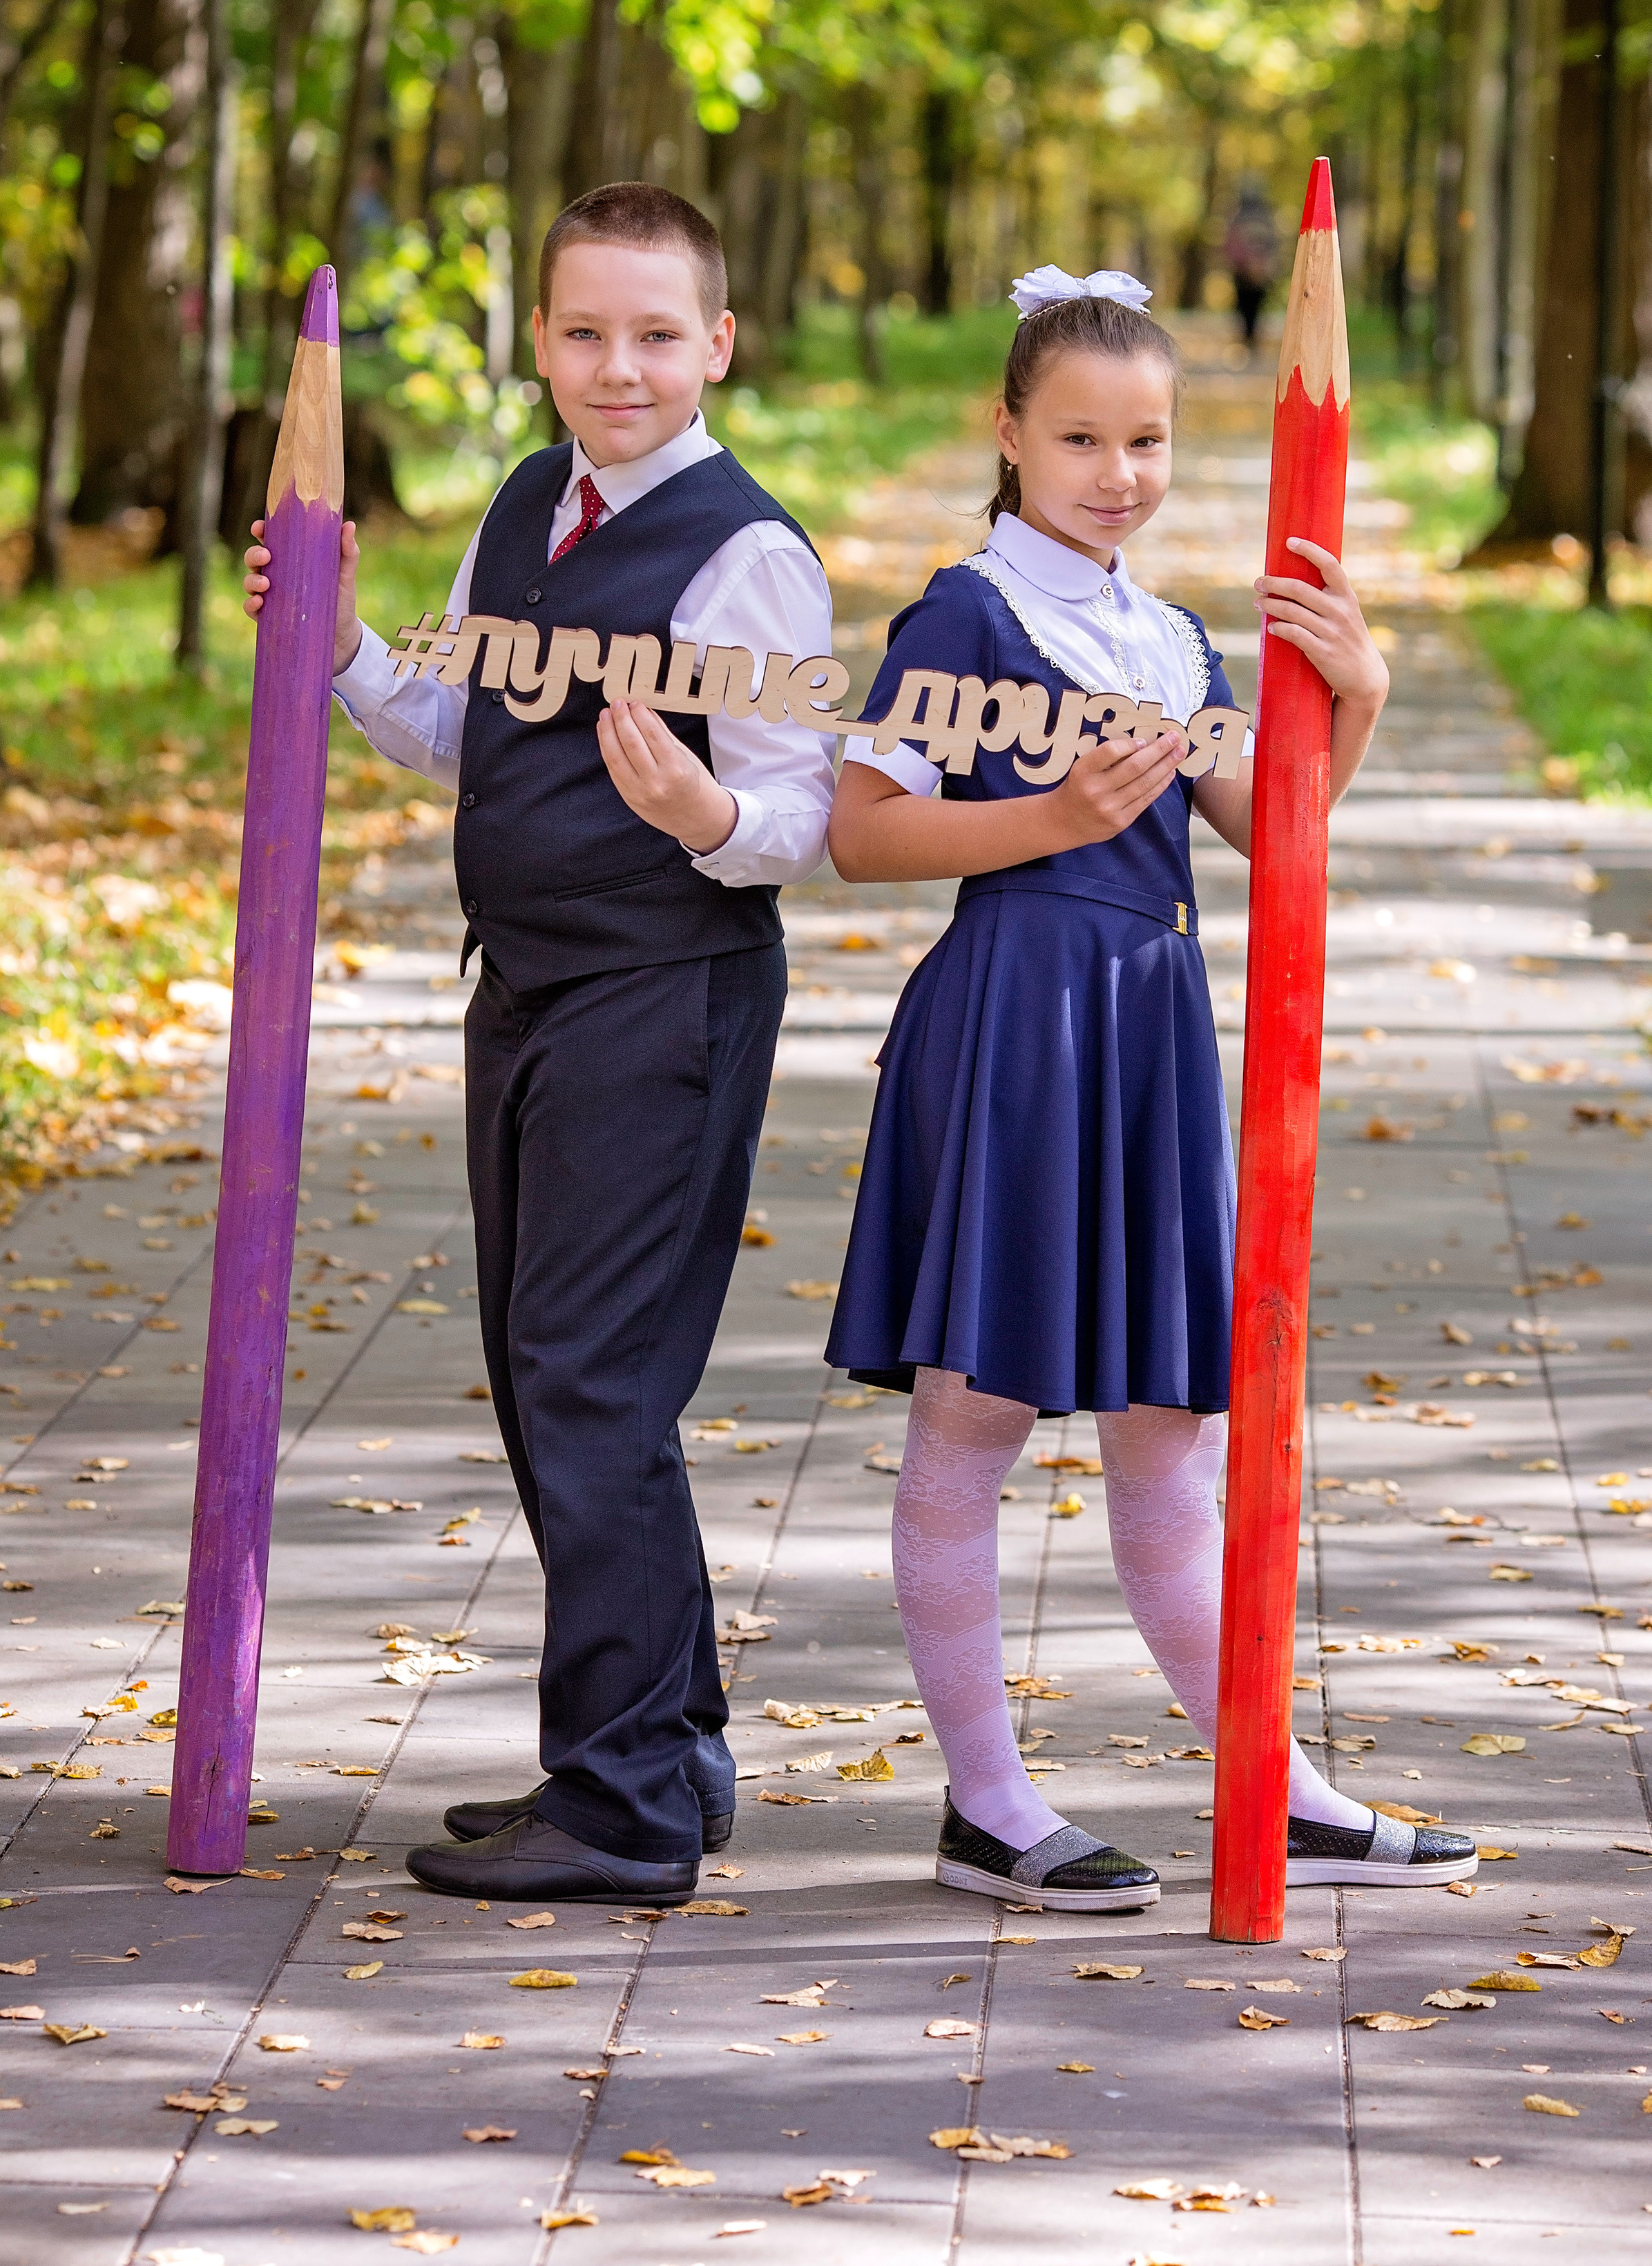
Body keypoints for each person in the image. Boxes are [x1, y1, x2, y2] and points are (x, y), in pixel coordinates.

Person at [823, 265, 1477, 1909]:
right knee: (970, 1412)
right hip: (1010, 1027)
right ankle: (986, 1800)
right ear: (1007, 435)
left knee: (1166, 1427)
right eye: (1079, 438)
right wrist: (1040, 820)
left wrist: (1363, 699)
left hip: (1142, 1031)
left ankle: (1277, 1781)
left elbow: (1278, 841)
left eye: (1146, 438)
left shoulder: (1169, 634)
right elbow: (858, 829)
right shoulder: (962, 612)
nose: (1116, 471)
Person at [243, 184, 836, 1904]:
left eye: (656, 333)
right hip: (528, 984)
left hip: (667, 992)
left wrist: (703, 799)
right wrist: (341, 635)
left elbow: (796, 813)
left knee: (589, 1376)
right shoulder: (523, 509)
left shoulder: (747, 553)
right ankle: (670, 1743)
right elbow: (462, 731)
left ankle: (625, 1803)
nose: (617, 366)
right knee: (552, 1374)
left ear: (718, 343)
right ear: (539, 342)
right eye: (583, 331)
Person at [1222, 183, 1278, 349]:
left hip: (1242, 270)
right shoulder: (1266, 217)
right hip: (1259, 270)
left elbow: (1230, 245)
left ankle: (1249, 336)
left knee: (1245, 303)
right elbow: (1273, 244)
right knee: (1254, 304)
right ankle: (1251, 336)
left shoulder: (1238, 217)